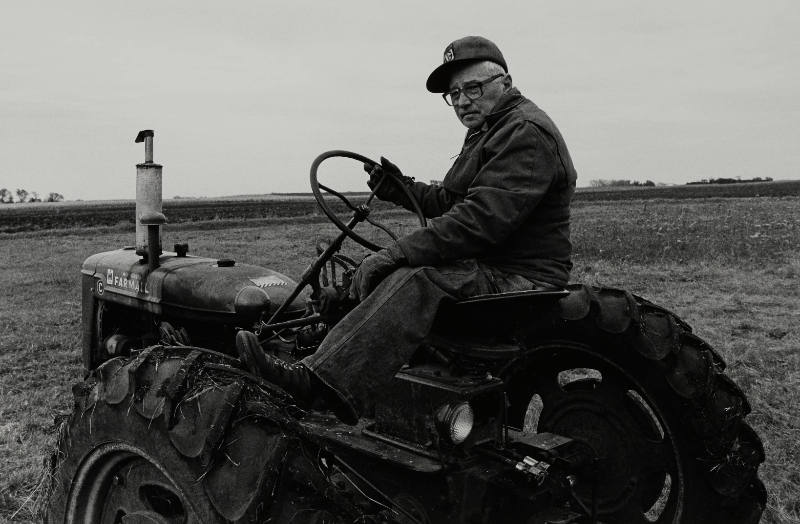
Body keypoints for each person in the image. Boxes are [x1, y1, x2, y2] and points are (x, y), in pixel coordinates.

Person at [244, 36, 577, 423]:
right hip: (493, 267)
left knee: (415, 279)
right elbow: (451, 201)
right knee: (381, 270)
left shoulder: (524, 133)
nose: (463, 101)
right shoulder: (490, 129)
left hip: (523, 280)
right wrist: (400, 189)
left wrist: (396, 252)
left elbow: (478, 221)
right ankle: (337, 360)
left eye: (473, 88)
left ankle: (318, 385)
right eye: (454, 94)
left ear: (506, 81)